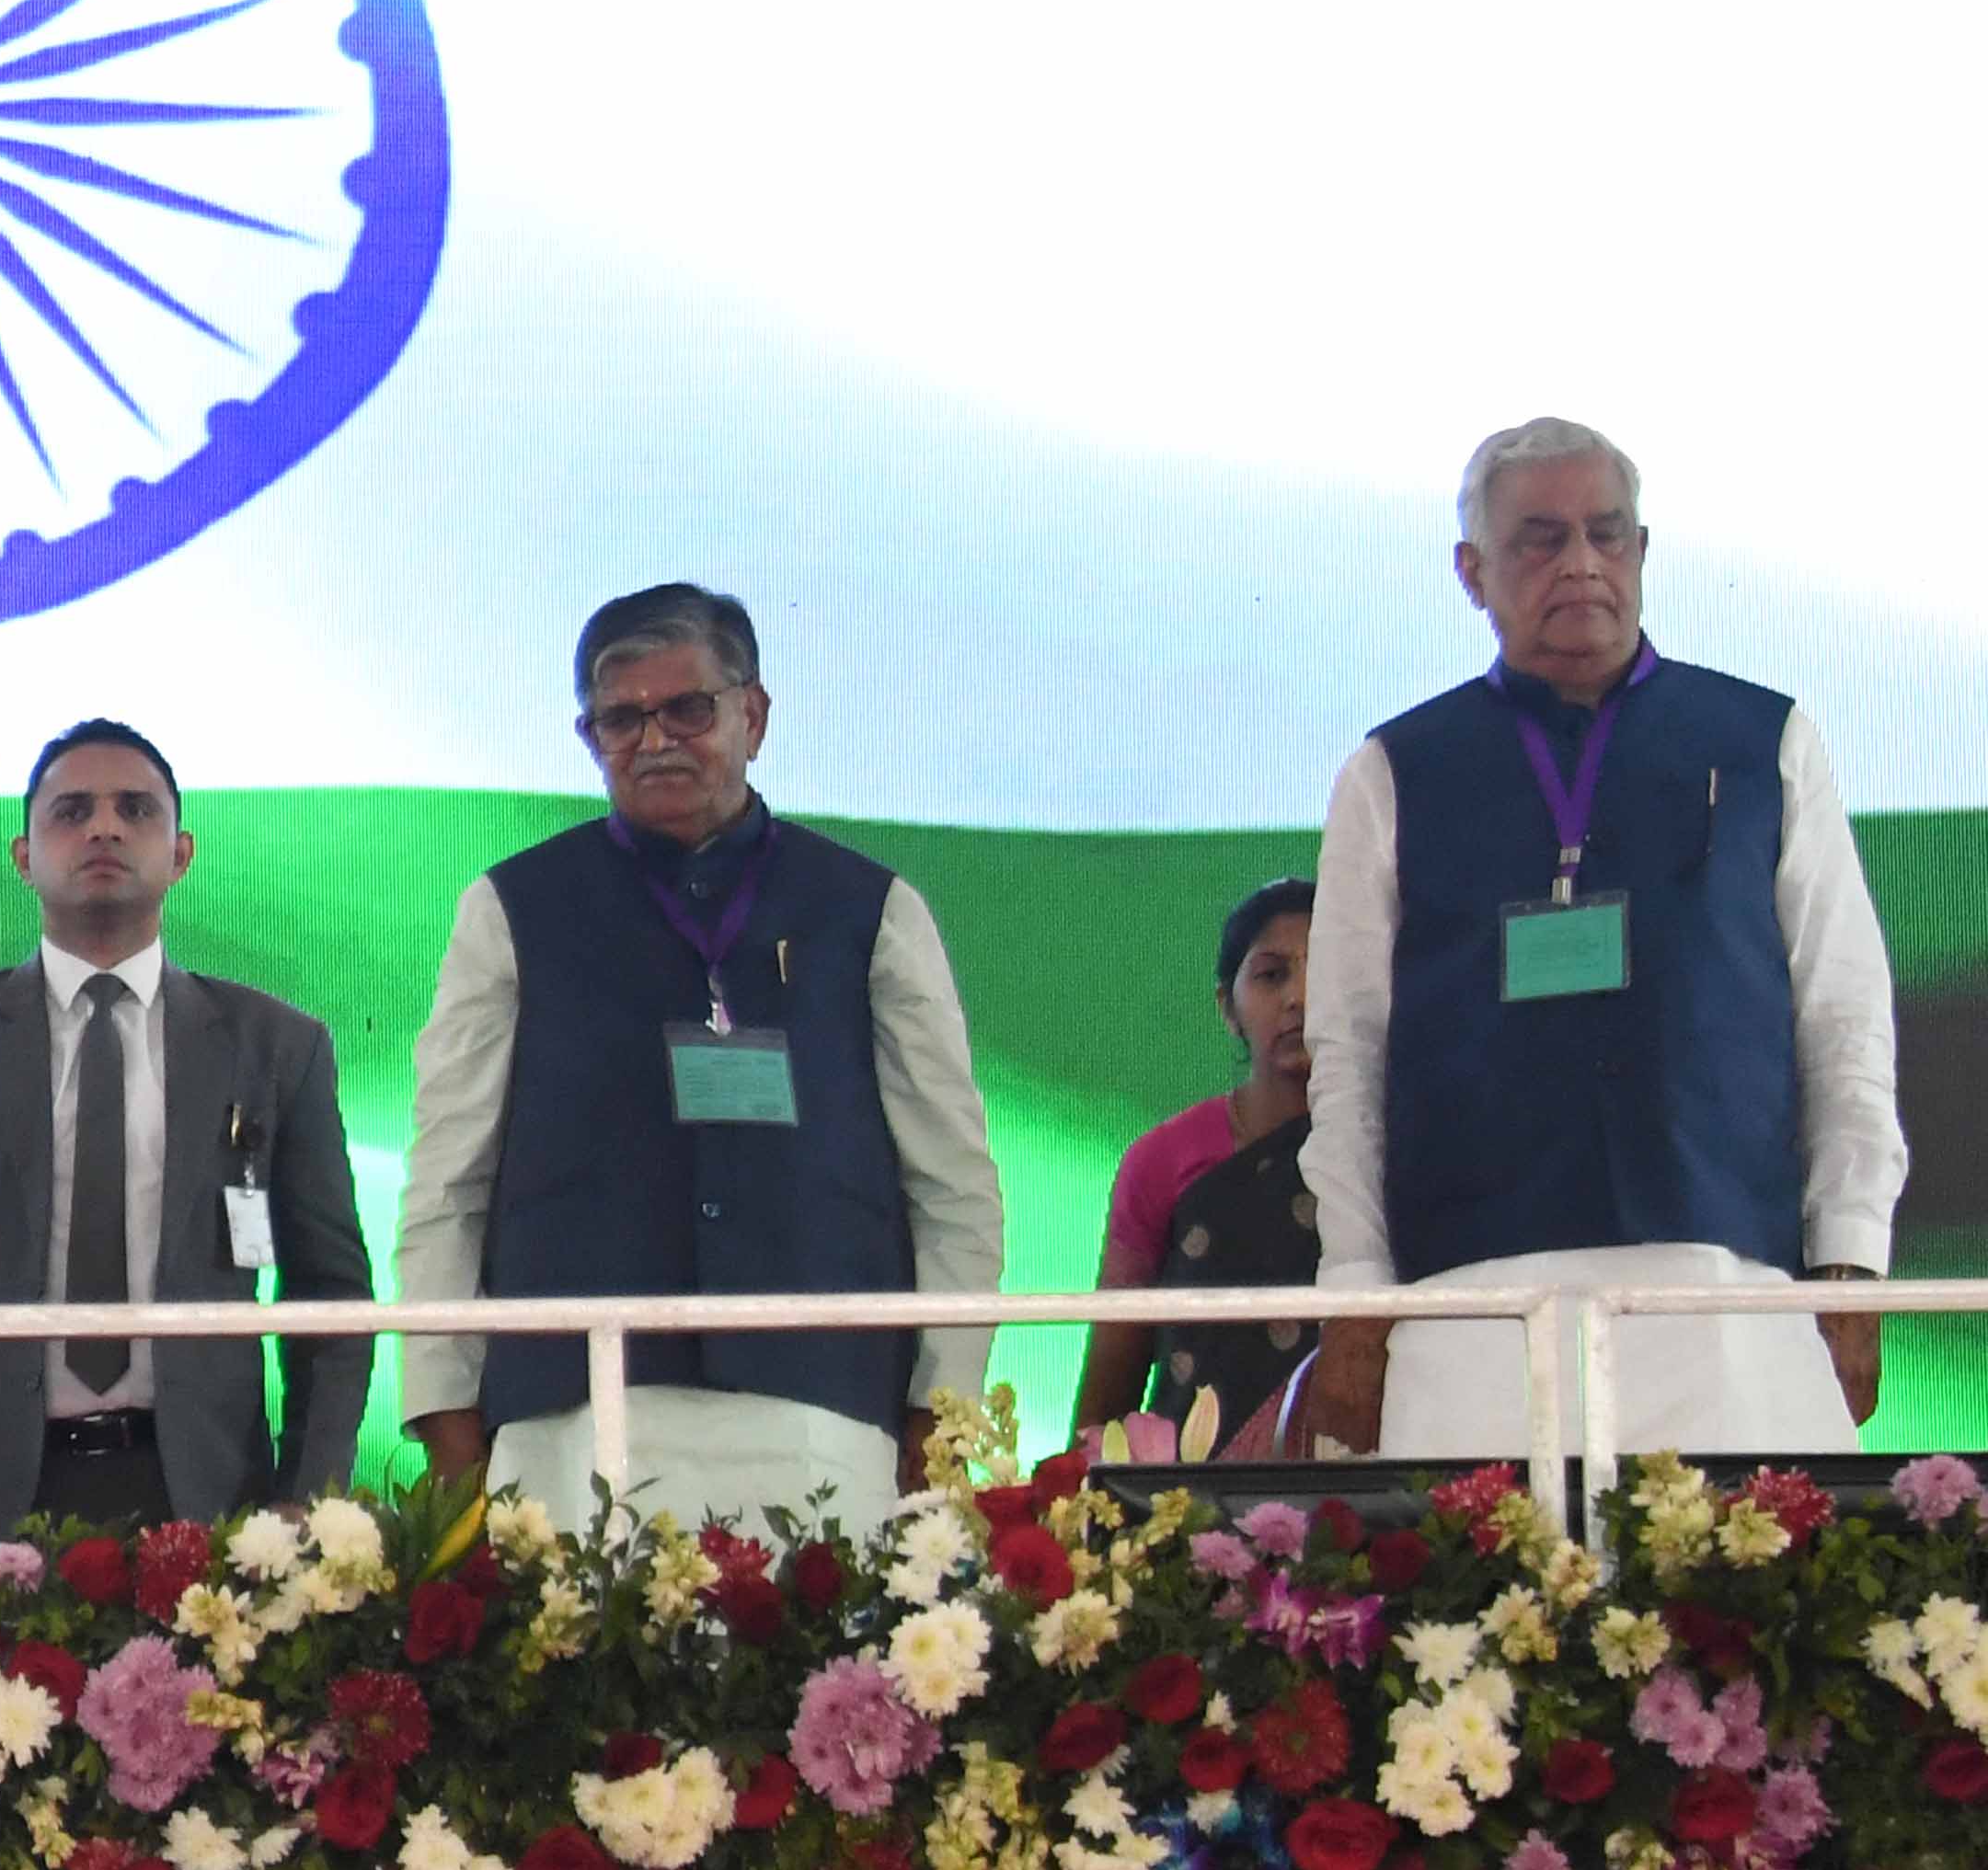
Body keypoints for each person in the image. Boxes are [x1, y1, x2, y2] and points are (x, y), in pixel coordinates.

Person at [1299, 419, 1898, 1459]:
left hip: (1729, 1295)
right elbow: (1349, 1050)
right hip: (1471, 1302)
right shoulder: (1396, 770)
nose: (1580, 562)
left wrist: (1849, 1259)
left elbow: (1843, 1017)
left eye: (1606, 534)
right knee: (1477, 1616)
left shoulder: (1763, 742)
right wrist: (1355, 1293)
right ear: (1472, 571)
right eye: (1540, 538)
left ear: (1643, 552)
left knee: (1744, 1612)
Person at [395, 585, 1006, 1528]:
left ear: (753, 715)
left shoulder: (870, 908)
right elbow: (447, 1176)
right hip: (572, 1408)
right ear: (588, 735)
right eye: (622, 718)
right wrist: (443, 1402)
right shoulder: (513, 907)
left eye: (688, 708)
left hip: (824, 1402)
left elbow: (952, 1179)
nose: (656, 739)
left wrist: (944, 1398)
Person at [0, 719, 375, 1537]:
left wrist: (306, 1496)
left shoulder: (277, 1046)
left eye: (136, 811)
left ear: (182, 854)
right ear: (23, 857)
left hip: (211, 1498)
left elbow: (331, 1297)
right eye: (71, 811)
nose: (104, 828)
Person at [1070, 878, 1338, 1454]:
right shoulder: (1163, 1160)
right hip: (1188, 1508)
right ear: (1228, 1008)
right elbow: (1110, 1385)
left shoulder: (1396, 1146)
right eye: (1271, 975)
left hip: (1363, 1500)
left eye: (1328, 969)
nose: (1301, 997)